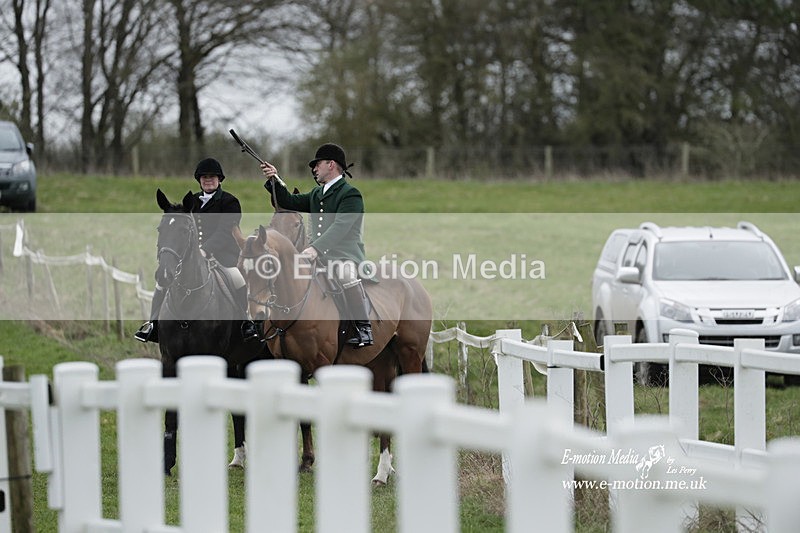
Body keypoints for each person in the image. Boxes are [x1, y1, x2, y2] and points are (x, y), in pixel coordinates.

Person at [134, 157, 260, 343]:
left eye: (212, 177)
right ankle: (152, 325)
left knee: (236, 278)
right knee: (162, 282)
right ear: (199, 180)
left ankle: (245, 323)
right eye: (204, 177)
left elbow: (225, 231)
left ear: (219, 179)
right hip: (190, 256)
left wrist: (205, 250)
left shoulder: (230, 201)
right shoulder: (191, 201)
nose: (208, 180)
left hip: (223, 255)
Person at [260, 143, 373, 347]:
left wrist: (314, 249)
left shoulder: (350, 194)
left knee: (345, 275)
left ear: (331, 165)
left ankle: (363, 328)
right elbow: (287, 201)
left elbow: (341, 227)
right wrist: (274, 178)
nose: (314, 169)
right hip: (318, 255)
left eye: (317, 164)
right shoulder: (316, 194)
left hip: (344, 255)